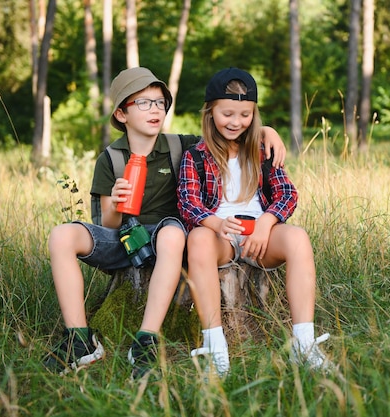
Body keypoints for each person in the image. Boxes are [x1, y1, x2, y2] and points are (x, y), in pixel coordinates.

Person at [43, 67, 287, 379]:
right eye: (143, 103)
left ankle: (146, 339)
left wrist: (268, 132)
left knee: (172, 233)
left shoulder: (181, 145)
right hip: (124, 237)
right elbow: (107, 222)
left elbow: (231, 128)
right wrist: (117, 202)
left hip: (168, 235)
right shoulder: (111, 158)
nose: (155, 110)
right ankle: (79, 338)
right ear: (121, 114)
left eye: (160, 103)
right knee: (62, 235)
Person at [177, 67, 332, 378]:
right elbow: (187, 201)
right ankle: (215, 348)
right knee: (197, 239)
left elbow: (287, 192)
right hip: (221, 235)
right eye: (228, 114)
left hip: (261, 234)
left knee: (298, 237)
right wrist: (214, 223)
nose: (236, 122)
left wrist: (266, 221)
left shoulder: (262, 150)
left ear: (254, 114)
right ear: (210, 113)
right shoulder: (195, 156)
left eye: (245, 114)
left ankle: (303, 344)